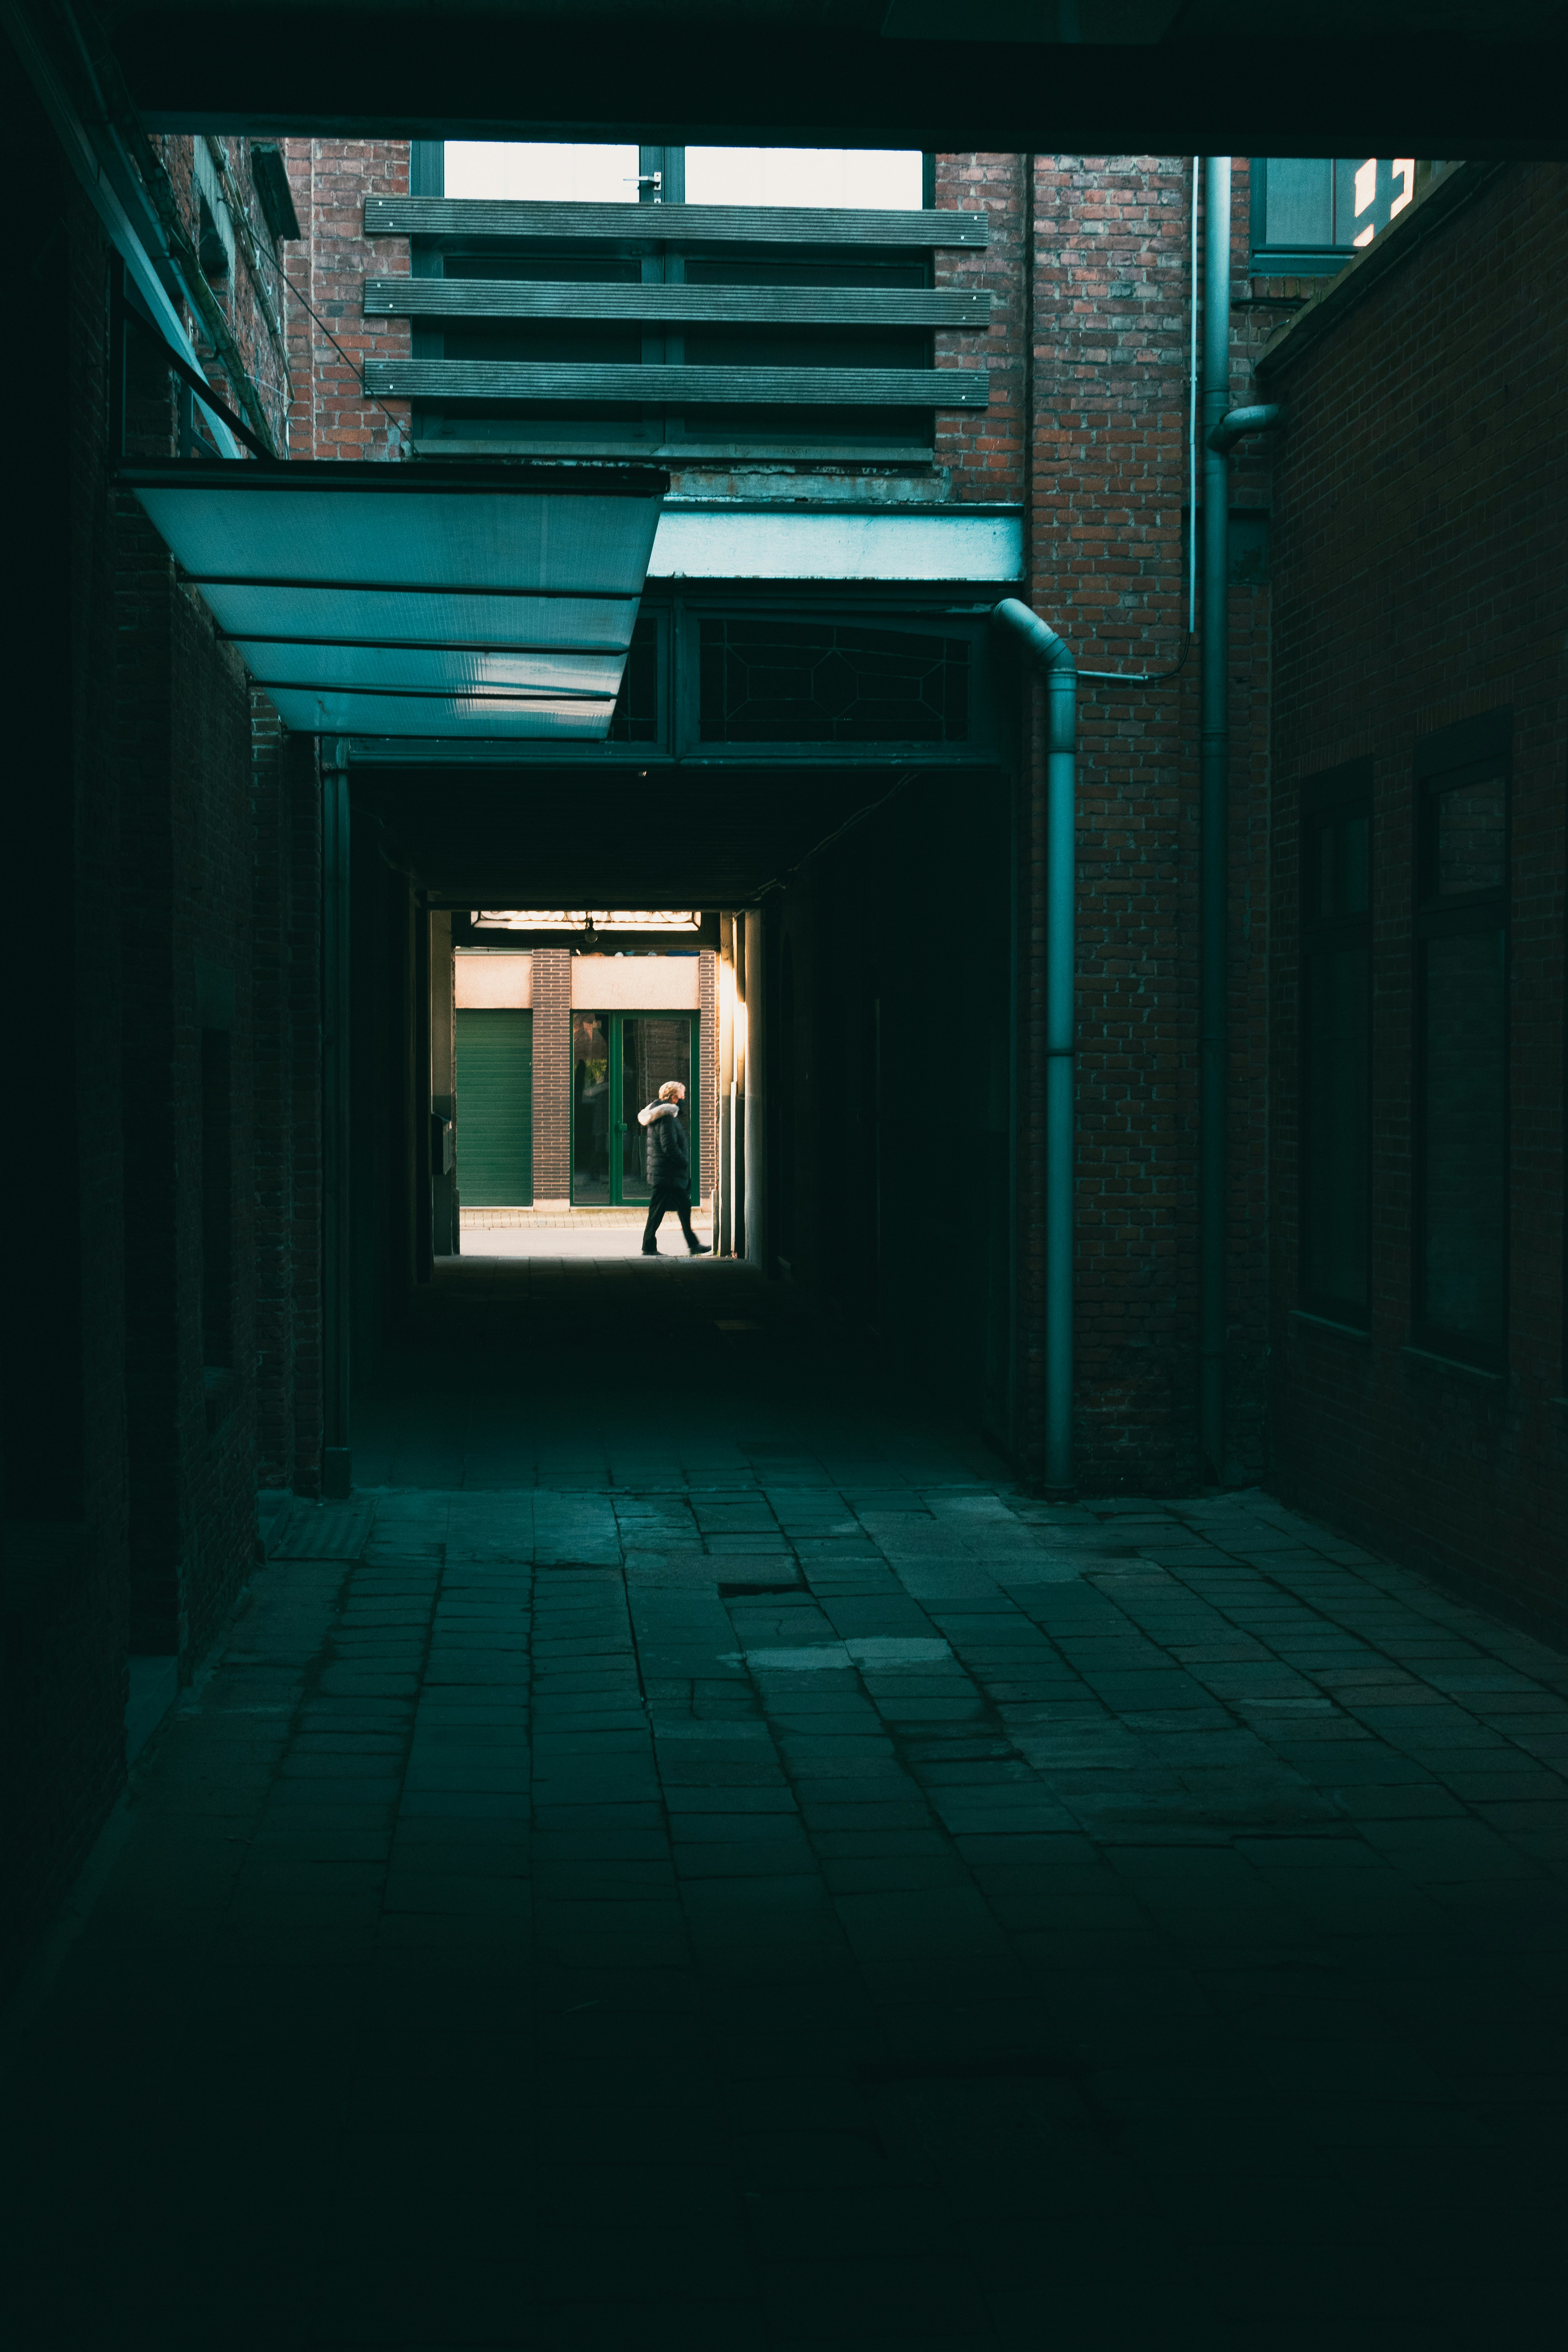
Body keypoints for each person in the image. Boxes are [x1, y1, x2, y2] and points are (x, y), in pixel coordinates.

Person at [637, 1081, 710, 1257]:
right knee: (660, 1210)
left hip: (666, 1173)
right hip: (667, 1174)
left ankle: (691, 1244)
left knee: (679, 1207)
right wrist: (683, 1161)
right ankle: (649, 1247)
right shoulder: (667, 1117)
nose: (685, 1098)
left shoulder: (661, 1115)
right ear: (674, 1098)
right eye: (683, 1095)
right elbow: (668, 1145)